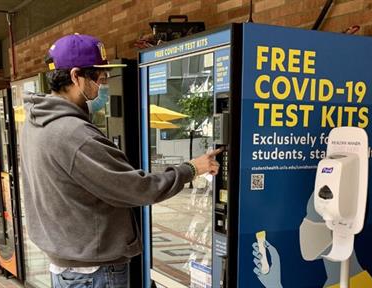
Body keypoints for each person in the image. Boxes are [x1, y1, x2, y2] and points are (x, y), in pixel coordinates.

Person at [20, 34, 221, 288]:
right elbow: (138, 189)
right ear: (75, 76)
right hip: (93, 272)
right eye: (99, 78)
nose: (104, 84)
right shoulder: (75, 134)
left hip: (67, 265)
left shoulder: (35, 123)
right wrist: (191, 168)